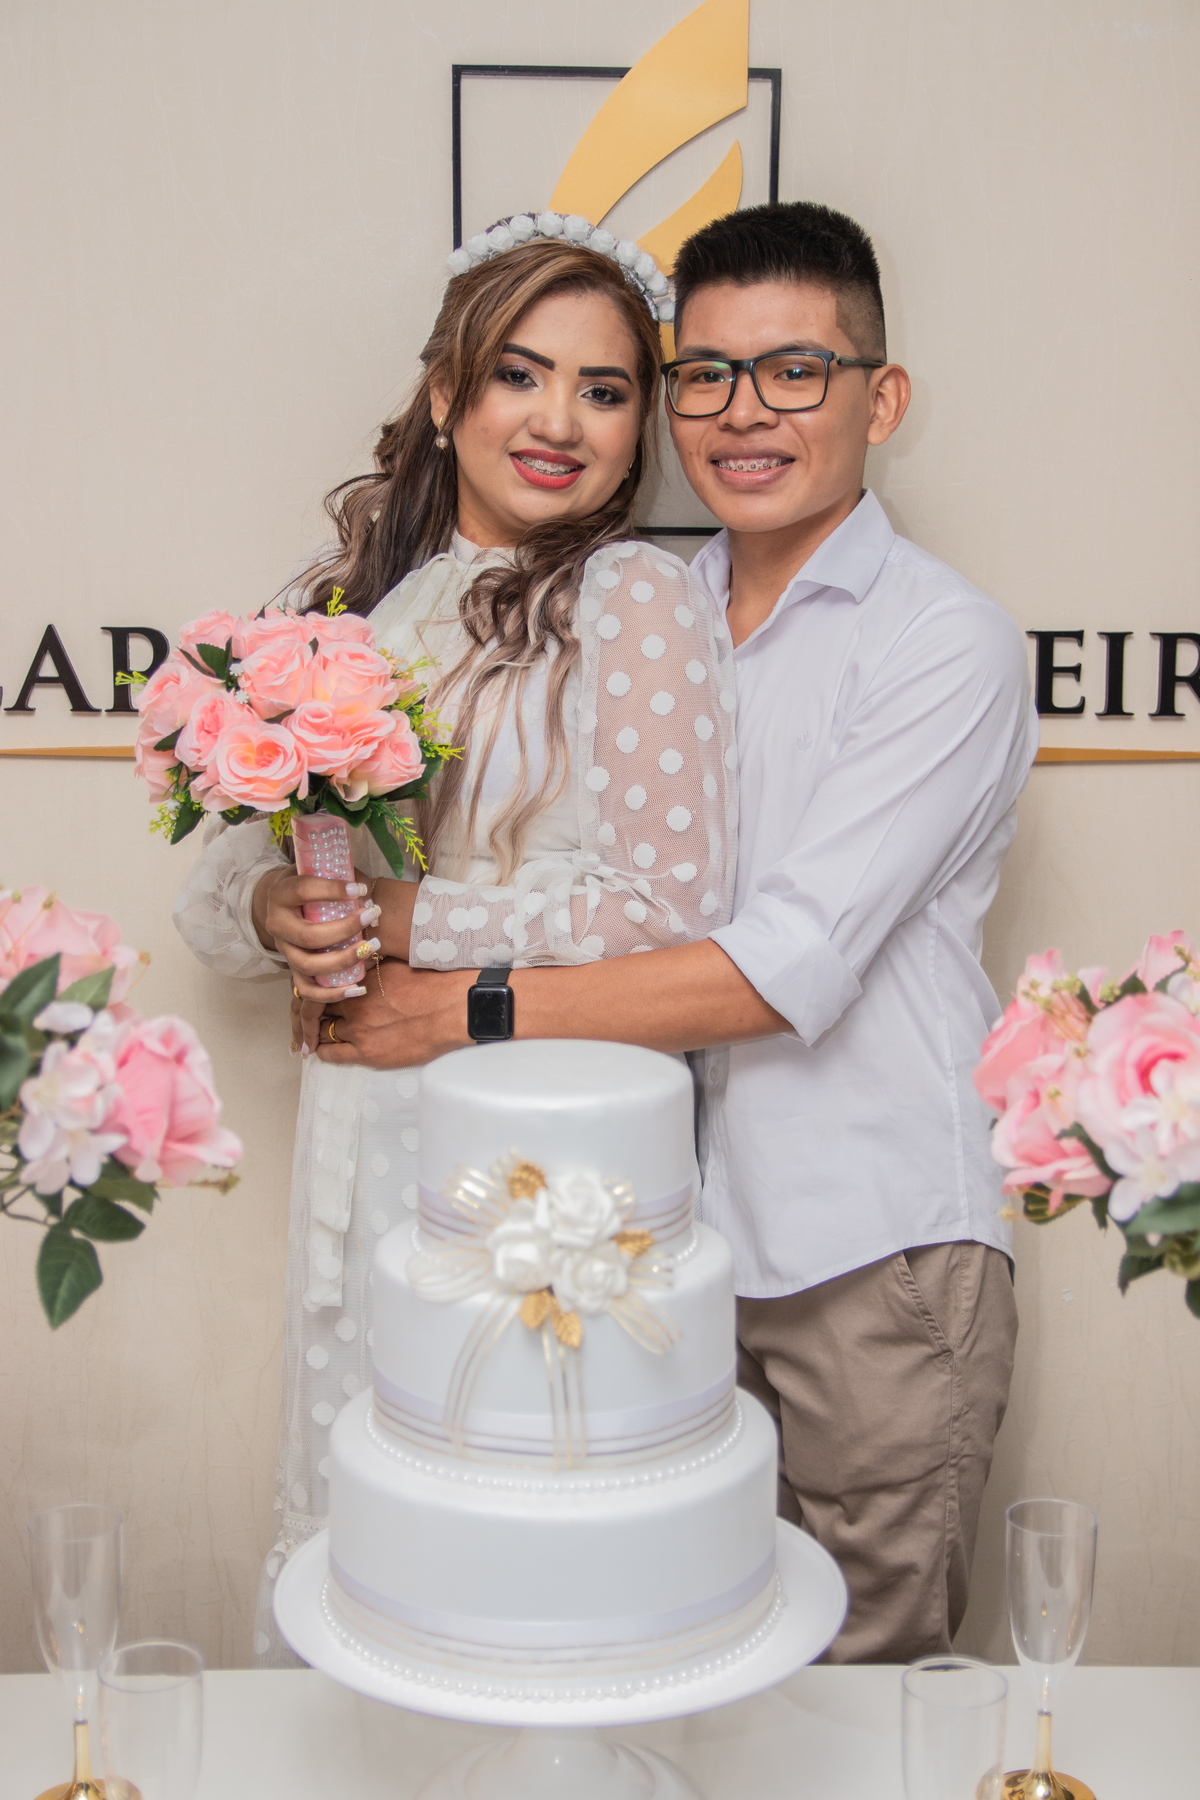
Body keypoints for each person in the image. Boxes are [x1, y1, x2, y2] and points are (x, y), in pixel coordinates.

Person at [318, 201, 1039, 1664]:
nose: (742, 412)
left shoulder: (940, 639)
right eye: (704, 374)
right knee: (684, 1661)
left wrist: (459, 1004)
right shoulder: (647, 600)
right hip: (661, 1238)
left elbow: (785, 965)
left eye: (795, 371)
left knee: (863, 1679)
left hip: (867, 1245)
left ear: (882, 398)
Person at [172, 216, 737, 1663]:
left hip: (538, 1143)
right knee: (367, 1533)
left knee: (513, 1551)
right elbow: (217, 893)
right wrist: (274, 910)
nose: (558, 422)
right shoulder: (347, 604)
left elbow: (669, 908)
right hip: (358, 1128)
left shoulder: (633, 601)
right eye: (518, 376)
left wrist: (403, 917)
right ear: (446, 394)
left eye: (603, 390)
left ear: (639, 426)